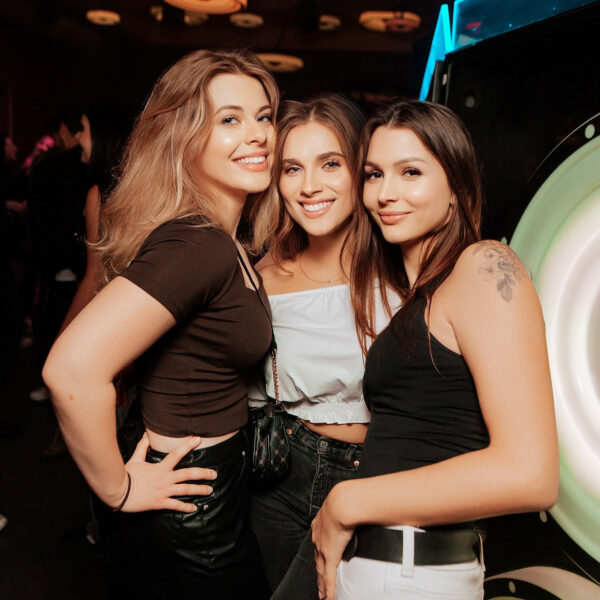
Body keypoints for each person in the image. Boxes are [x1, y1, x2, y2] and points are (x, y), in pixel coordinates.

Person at [42, 48, 279, 599]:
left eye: (264, 116)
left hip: (209, 490)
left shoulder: (221, 239)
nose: (258, 134)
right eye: (229, 119)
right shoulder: (198, 244)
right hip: (192, 506)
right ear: (184, 139)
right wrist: (118, 490)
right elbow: (70, 370)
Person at [310, 99, 559, 600]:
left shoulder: (483, 265)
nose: (386, 193)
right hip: (389, 565)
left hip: (410, 571)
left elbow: (531, 474)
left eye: (411, 172)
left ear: (456, 188)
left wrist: (345, 502)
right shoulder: (423, 294)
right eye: (375, 174)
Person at [249, 94, 401, 593]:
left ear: (361, 169)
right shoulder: (263, 277)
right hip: (282, 477)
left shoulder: (406, 272)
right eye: (292, 168)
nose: (309, 186)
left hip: (381, 478)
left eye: (330, 163)